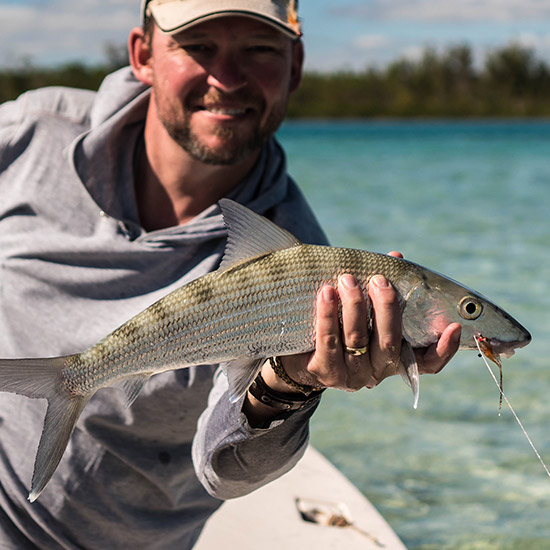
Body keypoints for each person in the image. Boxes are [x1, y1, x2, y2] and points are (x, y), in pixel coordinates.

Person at [0, 1, 461, 548]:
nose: (228, 77)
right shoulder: (27, 132)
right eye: (198, 46)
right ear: (142, 55)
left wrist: (291, 382)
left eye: (259, 48)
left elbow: (223, 467)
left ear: (295, 67)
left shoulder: (304, 268)